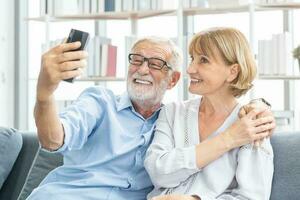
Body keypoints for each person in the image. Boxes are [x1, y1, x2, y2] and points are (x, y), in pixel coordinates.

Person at [28, 36, 274, 200]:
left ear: (173, 79)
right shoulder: (100, 102)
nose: (142, 69)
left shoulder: (171, 117)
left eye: (155, 63)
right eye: (136, 60)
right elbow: (53, 139)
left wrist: (259, 104)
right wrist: (45, 94)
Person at [144, 27, 275, 200]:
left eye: (203, 60)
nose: (190, 69)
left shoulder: (252, 124)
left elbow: (252, 197)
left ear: (232, 72)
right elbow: (158, 171)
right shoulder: (172, 112)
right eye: (192, 58)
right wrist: (228, 138)